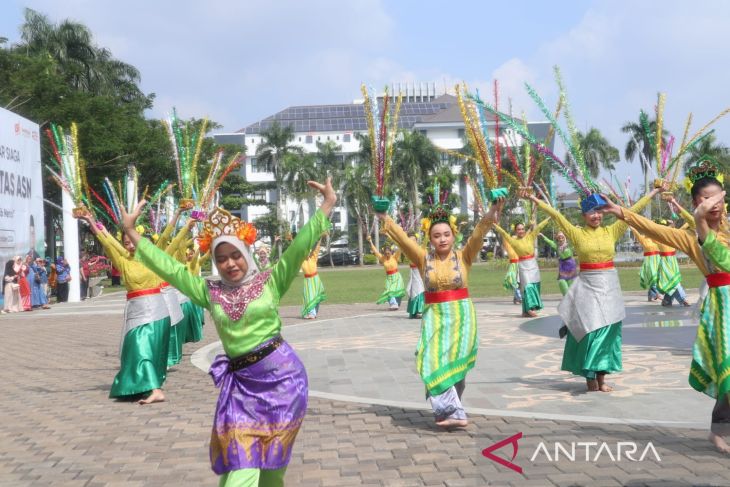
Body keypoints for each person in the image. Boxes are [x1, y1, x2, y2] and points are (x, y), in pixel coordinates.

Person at [125, 178, 336, 486]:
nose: (230, 263)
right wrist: (132, 232)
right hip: (241, 390)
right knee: (240, 467)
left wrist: (327, 205)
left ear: (246, 252)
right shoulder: (208, 291)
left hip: (284, 383)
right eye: (221, 258)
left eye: (235, 255)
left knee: (271, 470)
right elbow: (170, 268)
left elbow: (299, 246)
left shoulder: (270, 281)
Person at [600, 160, 729, 452]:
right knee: (729, 373)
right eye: (710, 198)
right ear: (698, 202)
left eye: (721, 198)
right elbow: (653, 229)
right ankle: (719, 430)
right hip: (723, 307)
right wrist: (620, 211)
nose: (718, 204)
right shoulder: (690, 237)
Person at [376, 197, 504, 428]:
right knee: (431, 360)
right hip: (434, 316)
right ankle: (450, 410)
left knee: (456, 366)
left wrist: (493, 209)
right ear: (430, 239)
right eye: (436, 235)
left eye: (446, 234)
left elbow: (478, 232)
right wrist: (384, 217)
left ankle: (451, 410)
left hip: (461, 316)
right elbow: (403, 240)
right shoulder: (423, 258)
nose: (442, 239)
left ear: (454, 235)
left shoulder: (464, 256)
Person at [522, 184, 662, 392]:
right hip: (587, 286)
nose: (595, 216)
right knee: (590, 330)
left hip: (609, 287)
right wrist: (534, 199)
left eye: (598, 212)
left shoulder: (612, 230)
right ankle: (589, 376)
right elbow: (556, 215)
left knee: (608, 331)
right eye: (590, 213)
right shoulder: (577, 234)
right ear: (584, 215)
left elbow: (631, 212)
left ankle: (602, 378)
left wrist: (653, 192)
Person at [77, 210, 171, 405]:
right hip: (137, 311)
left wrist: (179, 215)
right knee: (136, 349)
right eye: (125, 242)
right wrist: (91, 221)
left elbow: (171, 237)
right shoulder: (123, 261)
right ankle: (143, 386)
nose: (129, 244)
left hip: (157, 310)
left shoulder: (153, 256)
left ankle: (154, 389)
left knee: (148, 351)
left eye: (132, 240)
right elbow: (107, 241)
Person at [493, 217, 550, 317]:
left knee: (535, 285)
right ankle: (530, 309)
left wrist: (549, 217)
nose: (521, 231)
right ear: (515, 231)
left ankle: (524, 311)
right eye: (519, 229)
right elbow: (504, 233)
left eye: (522, 229)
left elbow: (539, 227)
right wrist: (494, 225)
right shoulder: (513, 241)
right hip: (523, 266)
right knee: (527, 287)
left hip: (533, 265)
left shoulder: (530, 236)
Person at [655, 219, 691, 307]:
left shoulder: (673, 237)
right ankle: (683, 299)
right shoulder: (658, 237)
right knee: (674, 282)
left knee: (672, 281)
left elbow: (681, 229)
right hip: (665, 262)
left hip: (672, 262)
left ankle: (667, 300)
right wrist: (671, 225)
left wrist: (689, 221)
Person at [367, 238, 405, 311]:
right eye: (386, 253)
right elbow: (375, 251)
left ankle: (396, 303)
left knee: (396, 291)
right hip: (388, 277)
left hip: (396, 276)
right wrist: (370, 241)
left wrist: (401, 239)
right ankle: (393, 304)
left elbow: (400, 249)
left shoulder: (395, 257)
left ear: (391, 252)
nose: (387, 254)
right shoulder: (382, 258)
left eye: (388, 253)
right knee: (389, 290)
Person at [539, 231, 577, 296]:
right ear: (557, 238)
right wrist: (542, 235)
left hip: (571, 266)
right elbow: (549, 241)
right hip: (562, 266)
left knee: (571, 285)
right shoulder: (556, 246)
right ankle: (567, 297)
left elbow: (575, 237)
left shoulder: (569, 244)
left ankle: (572, 299)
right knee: (561, 282)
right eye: (559, 237)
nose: (561, 238)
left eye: (562, 237)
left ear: (565, 237)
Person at [630, 227, 662, 302]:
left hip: (657, 259)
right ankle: (656, 294)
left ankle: (650, 295)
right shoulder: (642, 238)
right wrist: (631, 226)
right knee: (653, 277)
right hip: (649, 260)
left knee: (656, 278)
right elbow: (636, 233)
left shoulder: (655, 238)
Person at [301, 238, 326, 319]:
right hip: (307, 281)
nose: (307, 253)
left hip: (315, 280)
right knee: (308, 297)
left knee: (316, 297)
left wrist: (319, 239)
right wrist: (292, 240)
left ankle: (314, 313)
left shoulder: (313, 258)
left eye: (308, 251)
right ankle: (309, 312)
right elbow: (296, 251)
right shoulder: (301, 261)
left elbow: (317, 249)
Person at [405, 235, 425, 319]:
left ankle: (420, 310)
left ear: (416, 241)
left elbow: (425, 242)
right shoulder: (408, 251)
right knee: (413, 291)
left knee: (420, 289)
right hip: (413, 273)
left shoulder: (420, 249)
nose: (412, 242)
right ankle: (413, 311)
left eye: (413, 240)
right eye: (410, 240)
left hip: (420, 272)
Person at [501, 238, 522, 305]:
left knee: (520, 282)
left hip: (521, 264)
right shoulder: (509, 247)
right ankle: (518, 298)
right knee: (514, 282)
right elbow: (504, 238)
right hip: (513, 266)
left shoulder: (519, 246)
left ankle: (516, 298)